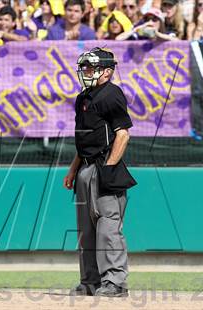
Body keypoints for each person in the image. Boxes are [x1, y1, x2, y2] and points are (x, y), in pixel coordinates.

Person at [64, 47, 136, 297]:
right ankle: (90, 281)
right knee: (86, 232)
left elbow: (123, 134)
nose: (85, 71)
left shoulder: (112, 93)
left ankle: (115, 282)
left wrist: (108, 168)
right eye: (84, 67)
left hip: (104, 165)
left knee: (108, 228)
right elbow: (84, 140)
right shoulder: (83, 97)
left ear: (107, 71)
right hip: (85, 167)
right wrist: (73, 169)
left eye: (91, 67)